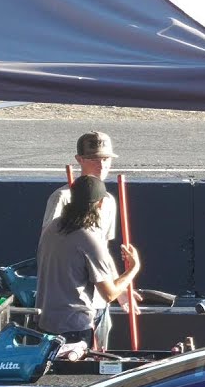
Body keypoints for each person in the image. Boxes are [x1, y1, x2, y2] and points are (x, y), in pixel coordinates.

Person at [40, 132, 135, 349]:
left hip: (99, 302)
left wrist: (118, 288)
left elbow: (102, 250)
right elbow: (53, 247)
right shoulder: (62, 198)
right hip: (73, 309)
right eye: (93, 159)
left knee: (99, 357)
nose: (101, 165)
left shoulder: (108, 201)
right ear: (79, 160)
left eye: (106, 159)